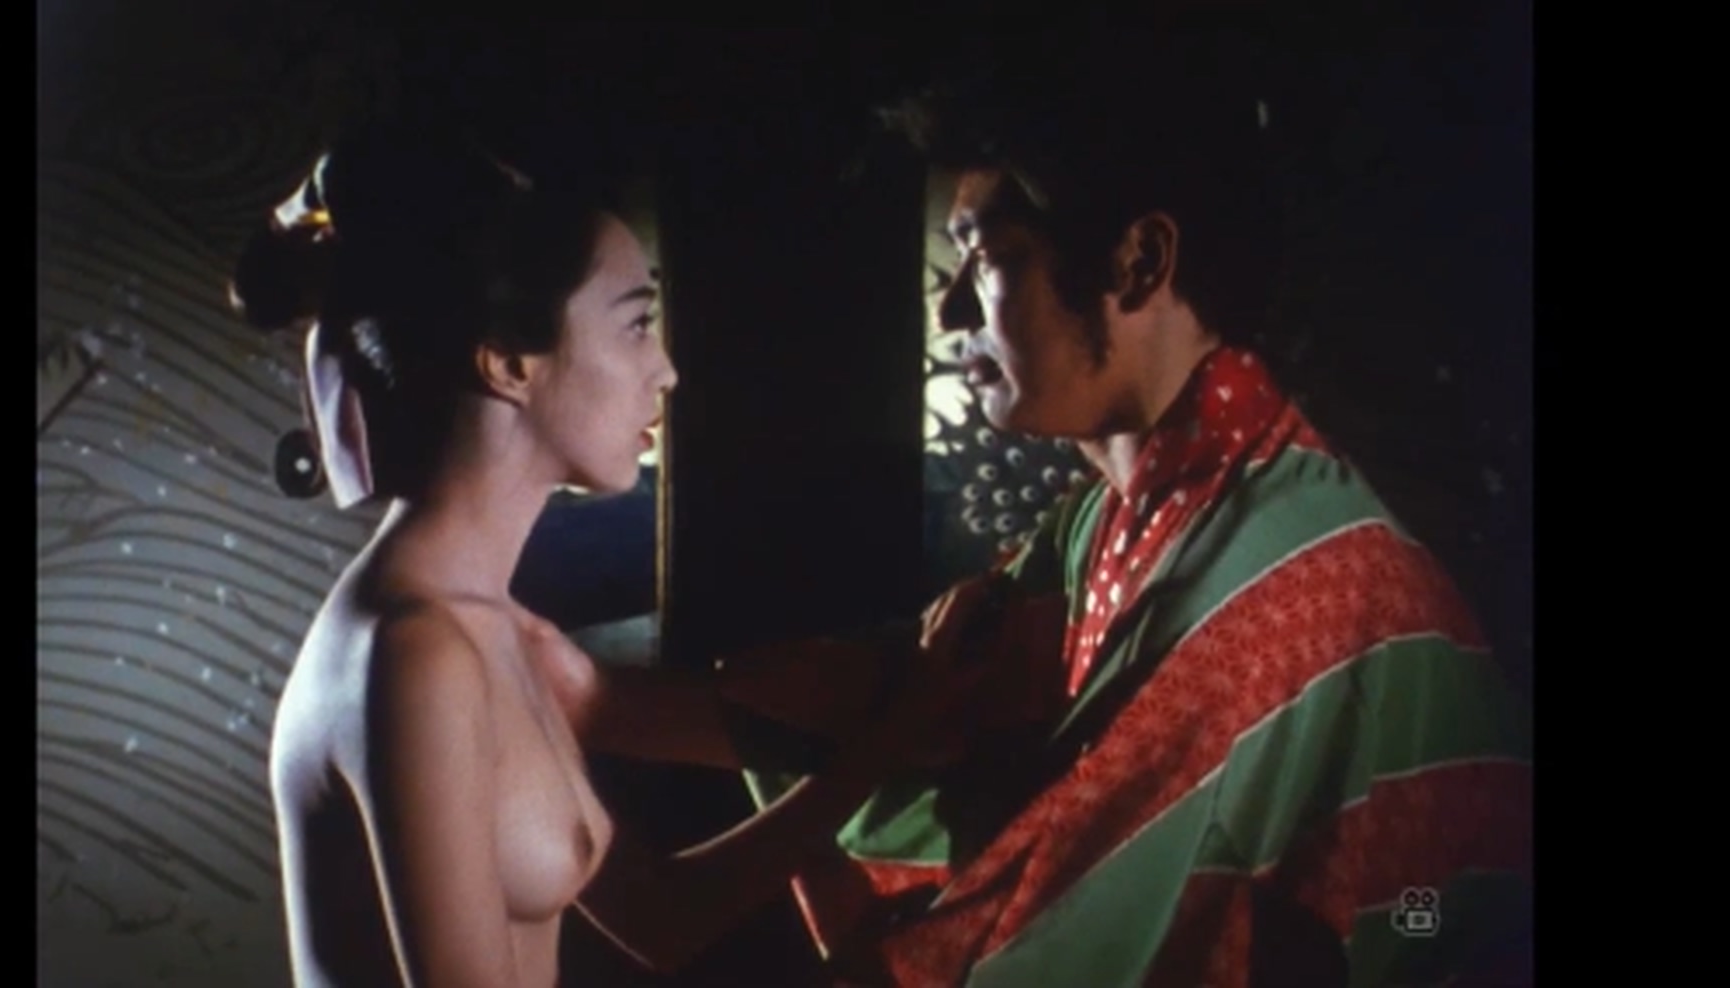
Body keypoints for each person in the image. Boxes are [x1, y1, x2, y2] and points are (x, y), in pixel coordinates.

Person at [566, 26, 1534, 988]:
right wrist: (578, 699)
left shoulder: (1259, 588)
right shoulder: (1135, 508)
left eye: (985, 259)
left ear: (1137, 262)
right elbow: (919, 694)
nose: (950, 309)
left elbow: (1051, 922)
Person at [235, 113, 987, 987]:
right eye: (635, 325)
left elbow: (664, 917)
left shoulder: (507, 638)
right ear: (508, 364)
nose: (665, 371)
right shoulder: (414, 655)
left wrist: (891, 737)